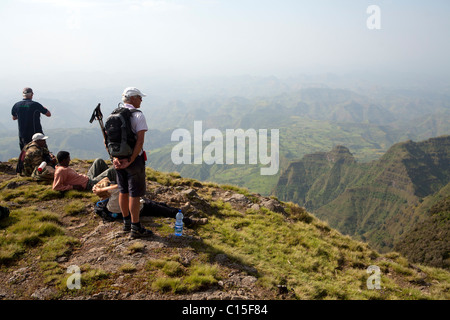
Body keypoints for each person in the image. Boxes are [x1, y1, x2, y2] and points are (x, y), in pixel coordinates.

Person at [112, 87, 152, 239]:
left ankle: (126, 222)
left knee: (123, 191)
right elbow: (140, 141)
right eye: (140, 97)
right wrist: (131, 160)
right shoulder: (138, 115)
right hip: (133, 160)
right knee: (134, 193)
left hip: (118, 160)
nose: (141, 100)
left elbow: (107, 140)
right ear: (133, 98)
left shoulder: (114, 114)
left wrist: (116, 159)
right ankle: (136, 227)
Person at [92, 178, 208, 227]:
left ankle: (180, 211)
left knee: (162, 205)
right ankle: (190, 221)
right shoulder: (115, 195)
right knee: (166, 211)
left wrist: (99, 190)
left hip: (137, 204)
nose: (111, 184)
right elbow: (120, 186)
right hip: (141, 208)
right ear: (108, 190)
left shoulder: (109, 204)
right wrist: (102, 188)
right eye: (109, 185)